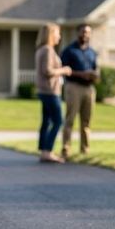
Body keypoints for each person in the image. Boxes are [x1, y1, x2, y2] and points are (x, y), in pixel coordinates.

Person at [60, 24, 100, 157]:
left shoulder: (92, 52)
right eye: (83, 32)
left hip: (89, 88)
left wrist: (94, 75)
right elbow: (64, 71)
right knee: (70, 119)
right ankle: (66, 148)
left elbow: (95, 69)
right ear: (78, 33)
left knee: (86, 121)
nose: (85, 34)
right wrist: (81, 74)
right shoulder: (69, 51)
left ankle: (85, 149)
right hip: (73, 87)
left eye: (88, 32)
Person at [35, 23, 72, 163]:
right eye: (57, 33)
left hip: (45, 90)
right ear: (50, 34)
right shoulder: (47, 50)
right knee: (58, 121)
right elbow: (48, 71)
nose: (59, 36)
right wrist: (64, 70)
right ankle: (47, 151)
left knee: (46, 121)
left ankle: (43, 150)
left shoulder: (41, 49)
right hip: (50, 91)